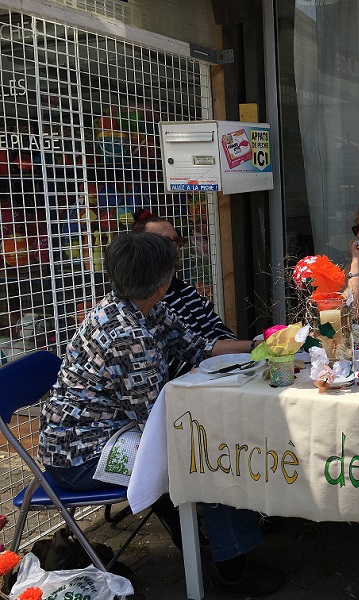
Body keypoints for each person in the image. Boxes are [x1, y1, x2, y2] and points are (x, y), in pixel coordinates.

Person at [38, 233, 284, 597]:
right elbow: (155, 421)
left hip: (104, 434)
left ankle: (225, 538)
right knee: (205, 456)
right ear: (165, 280)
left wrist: (262, 344)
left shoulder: (140, 303)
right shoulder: (127, 334)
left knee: (210, 443)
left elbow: (198, 346)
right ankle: (232, 571)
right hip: (81, 458)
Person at [132, 209, 236, 377]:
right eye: (165, 242)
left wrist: (252, 350)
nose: (175, 248)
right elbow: (168, 363)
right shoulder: (145, 304)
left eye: (177, 241)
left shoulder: (186, 292)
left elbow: (216, 334)